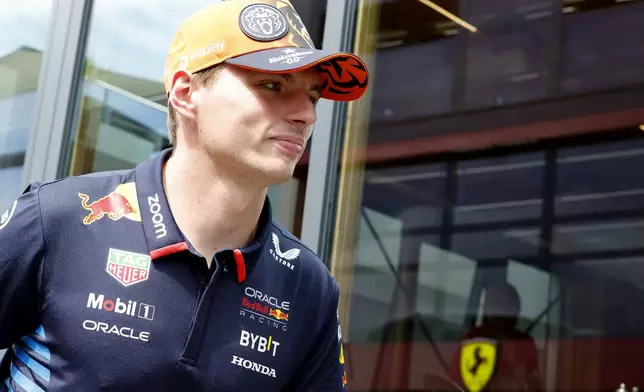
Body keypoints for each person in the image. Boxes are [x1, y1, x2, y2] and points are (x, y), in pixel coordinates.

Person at [0, 0, 368, 390]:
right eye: (272, 85)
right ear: (185, 91)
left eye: (312, 96)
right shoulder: (60, 219)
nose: (306, 115)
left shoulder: (308, 287)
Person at [448, 282, 541, 392]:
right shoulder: (473, 338)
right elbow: (455, 380)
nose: (495, 308)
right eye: (491, 303)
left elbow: (533, 384)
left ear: (515, 307)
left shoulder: (524, 343)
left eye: (501, 303)